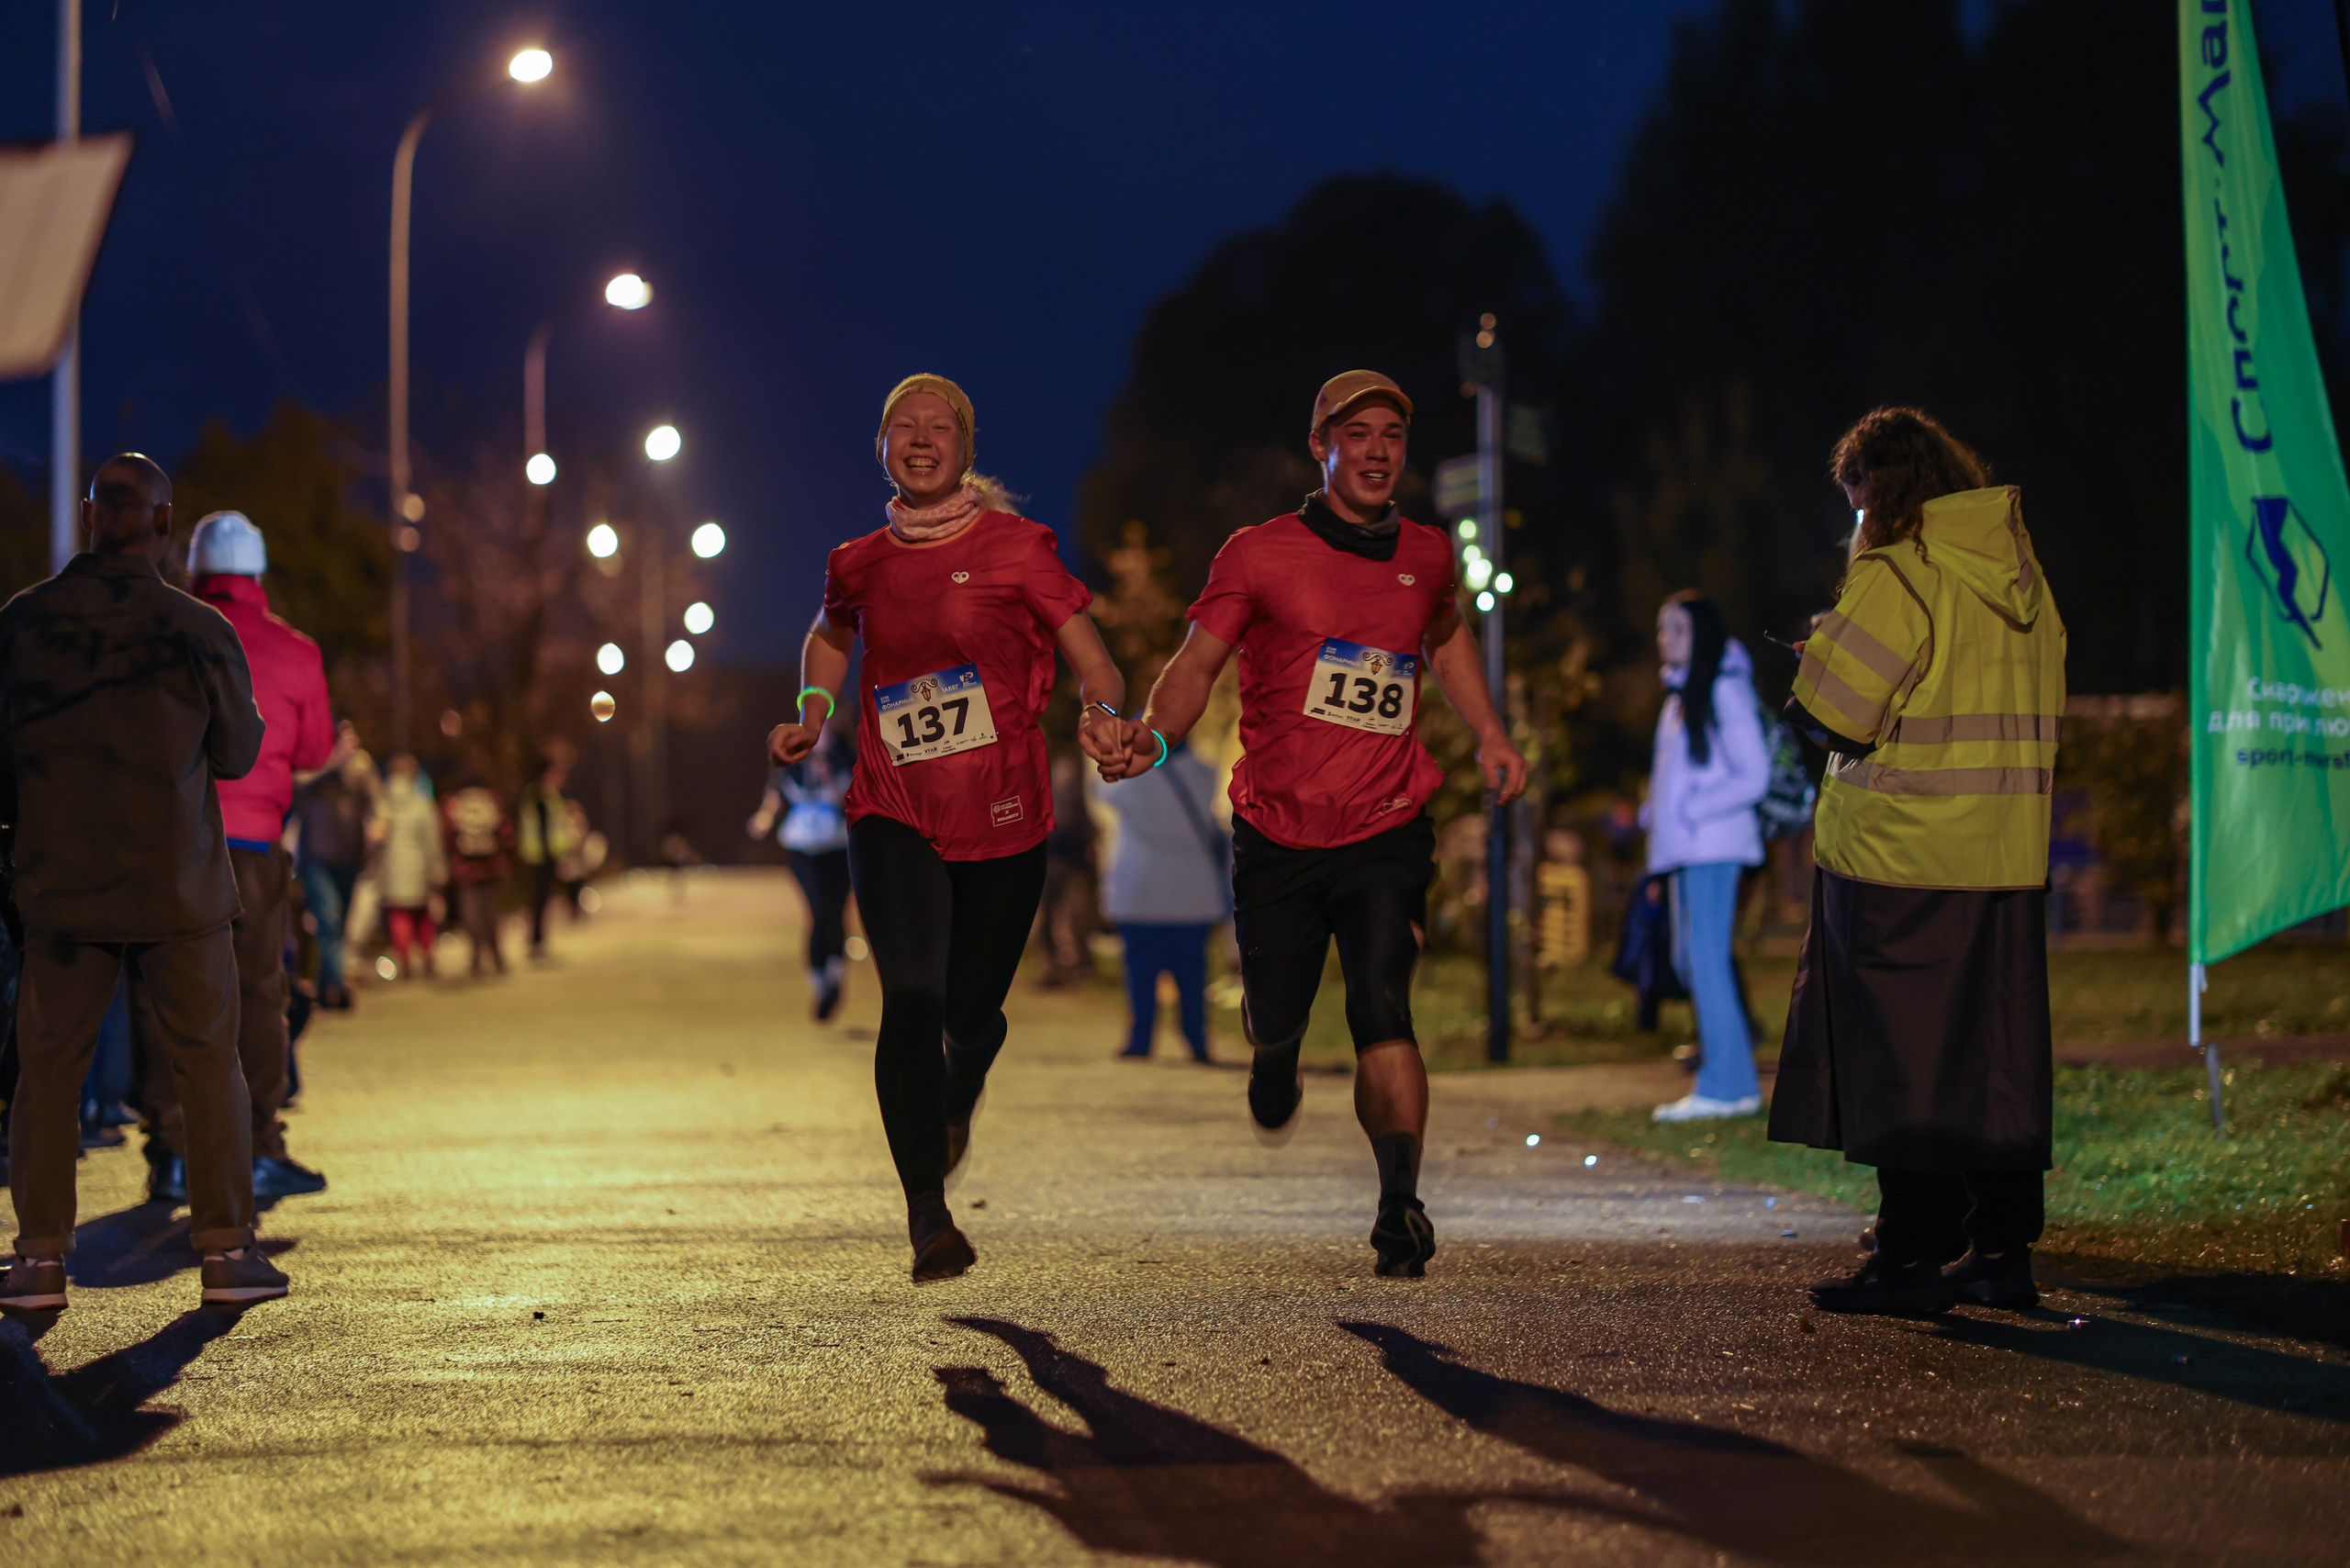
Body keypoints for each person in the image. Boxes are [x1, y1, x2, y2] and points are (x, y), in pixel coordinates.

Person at [1109, 371, 1528, 1279]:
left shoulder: (1424, 555)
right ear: (1320, 445)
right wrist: (1151, 735)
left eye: (1391, 435)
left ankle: (1400, 1203)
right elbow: (1196, 663)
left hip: (1385, 822)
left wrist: (1489, 730)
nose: (1378, 451)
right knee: (1278, 1009)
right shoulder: (1258, 554)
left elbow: (1444, 633)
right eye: (1357, 434)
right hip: (1279, 831)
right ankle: (1275, 1053)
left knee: (1383, 1000)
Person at [767, 373, 1130, 1283]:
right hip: (893, 810)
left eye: (940, 428)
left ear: (966, 449)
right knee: (914, 997)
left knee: (971, 1016)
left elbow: (1094, 657)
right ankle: (926, 1211)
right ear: (882, 446)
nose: (921, 440)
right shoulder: (857, 561)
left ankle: (962, 1082)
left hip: (1005, 819)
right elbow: (828, 633)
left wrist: (1100, 711)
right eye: (903, 427)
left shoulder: (1019, 550)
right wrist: (814, 709)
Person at [1767, 408, 2066, 1316]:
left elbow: (1834, 718)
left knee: (1905, 1061)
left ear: (1880, 493)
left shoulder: (1900, 575)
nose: (1853, 518)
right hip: (2005, 857)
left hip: (1899, 857)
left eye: (1856, 499)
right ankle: (2000, 1249)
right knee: (1993, 1060)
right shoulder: (2022, 578)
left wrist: (1822, 650)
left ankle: (1910, 1255)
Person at [0, 454, 288, 1309]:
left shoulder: (21, 624)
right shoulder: (198, 629)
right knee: (209, 1067)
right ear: (165, 525)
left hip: (60, 884)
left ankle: (40, 1261)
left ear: (89, 517)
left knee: (47, 1072)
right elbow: (238, 753)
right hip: (181, 884)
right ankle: (227, 1251)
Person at [140, 510, 336, 1206]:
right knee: (259, 994)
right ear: (258, 574)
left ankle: (171, 1155)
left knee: (170, 995)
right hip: (254, 845)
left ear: (195, 571)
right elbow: (314, 752)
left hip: (175, 842)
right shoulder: (296, 650)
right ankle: (258, 1147)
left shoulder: (164, 632)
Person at [1643, 591, 1771, 1122]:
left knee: (1706, 959)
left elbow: (1755, 773)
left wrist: (1694, 808)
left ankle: (1725, 1085)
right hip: (1691, 849)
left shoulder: (1723, 690)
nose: (1665, 637)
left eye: (1677, 627)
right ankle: (1732, 1077)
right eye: (1662, 627)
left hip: (1713, 847)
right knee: (1694, 959)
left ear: (1703, 634)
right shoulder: (1684, 695)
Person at [1091, 734, 1227, 1062]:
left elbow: (1102, 792)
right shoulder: (1204, 773)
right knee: (1192, 974)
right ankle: (1196, 1040)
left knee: (1140, 972)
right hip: (1192, 896)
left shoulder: (1129, 780)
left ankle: (1140, 1039)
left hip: (1142, 895)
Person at [750, 716, 856, 1020]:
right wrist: (763, 820)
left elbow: (850, 801)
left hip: (837, 847)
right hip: (803, 848)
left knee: (836, 913)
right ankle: (819, 983)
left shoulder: (848, 759)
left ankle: (834, 976)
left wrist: (829, 780)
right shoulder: (791, 760)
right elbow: (774, 796)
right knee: (819, 912)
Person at [292, 736, 373, 1008]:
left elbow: (375, 801)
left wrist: (378, 822)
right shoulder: (313, 768)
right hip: (317, 856)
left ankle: (325, 987)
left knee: (338, 925)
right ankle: (338, 987)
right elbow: (298, 784)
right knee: (328, 918)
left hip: (350, 856)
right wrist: (333, 762)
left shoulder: (360, 769)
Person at [375, 755, 446, 978]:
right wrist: (436, 867)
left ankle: (404, 958)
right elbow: (431, 839)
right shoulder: (421, 803)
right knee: (422, 912)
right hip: (419, 866)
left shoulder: (381, 803)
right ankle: (427, 956)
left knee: (399, 913)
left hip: (391, 867)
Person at [442, 780, 513, 976]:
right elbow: (506, 832)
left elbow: (447, 836)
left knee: (472, 914)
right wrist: (504, 858)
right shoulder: (491, 799)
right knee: (490, 913)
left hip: (466, 871)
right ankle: (496, 956)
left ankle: (476, 956)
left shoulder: (453, 803)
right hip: (491, 867)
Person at [516, 756, 577, 959]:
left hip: (546, 855)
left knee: (542, 899)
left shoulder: (547, 795)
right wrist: (550, 852)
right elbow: (541, 830)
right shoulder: (538, 795)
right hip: (540, 856)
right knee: (539, 899)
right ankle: (536, 940)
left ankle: (539, 939)